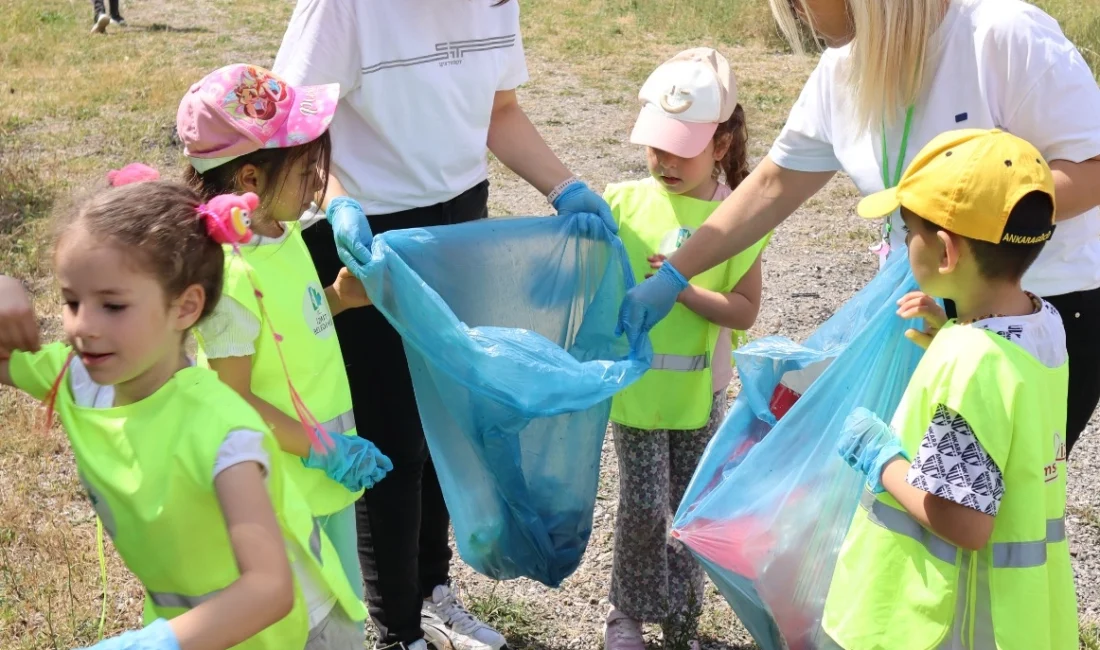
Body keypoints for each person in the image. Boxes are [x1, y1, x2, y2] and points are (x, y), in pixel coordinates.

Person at [271, 2, 616, 648]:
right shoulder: (342, 9)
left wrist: (565, 187)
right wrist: (341, 205)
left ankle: (432, 592)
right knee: (390, 434)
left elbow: (500, 110)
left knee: (444, 420)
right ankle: (395, 629)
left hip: (458, 225)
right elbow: (294, 129)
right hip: (367, 235)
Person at [617, 0, 1100, 457]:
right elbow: (773, 183)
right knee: (925, 498)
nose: (792, 10)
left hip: (1034, 314)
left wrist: (960, 221)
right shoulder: (843, 67)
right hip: (924, 309)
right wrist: (674, 276)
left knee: (979, 508)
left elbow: (1091, 167)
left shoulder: (1001, 35)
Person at [0, 178, 368, 649]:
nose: (84, 326)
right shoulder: (77, 378)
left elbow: (269, 590)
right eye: (73, 301)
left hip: (300, 634)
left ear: (186, 307)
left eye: (113, 305)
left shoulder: (220, 429)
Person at [831, 128, 1074, 649]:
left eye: (906, 231)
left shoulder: (971, 362)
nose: (902, 244)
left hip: (948, 623)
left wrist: (878, 456)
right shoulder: (1044, 323)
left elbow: (963, 521)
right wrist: (947, 335)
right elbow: (1008, 397)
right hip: (1017, 617)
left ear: (945, 251)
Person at [178, 63, 393, 638]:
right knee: (316, 627)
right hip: (286, 495)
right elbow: (235, 398)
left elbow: (288, 327)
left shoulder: (282, 233)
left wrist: (337, 301)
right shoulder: (230, 276)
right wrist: (326, 449)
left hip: (322, 477)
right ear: (250, 176)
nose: (319, 181)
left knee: (343, 617)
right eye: (306, 168)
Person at [601, 48, 769, 650]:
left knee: (690, 511)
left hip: (700, 392)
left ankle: (682, 627)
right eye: (655, 146)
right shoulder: (623, 202)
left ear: (721, 145)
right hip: (638, 389)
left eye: (680, 147)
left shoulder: (740, 215)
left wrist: (684, 288)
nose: (663, 161)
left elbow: (746, 309)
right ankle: (626, 617)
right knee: (642, 507)